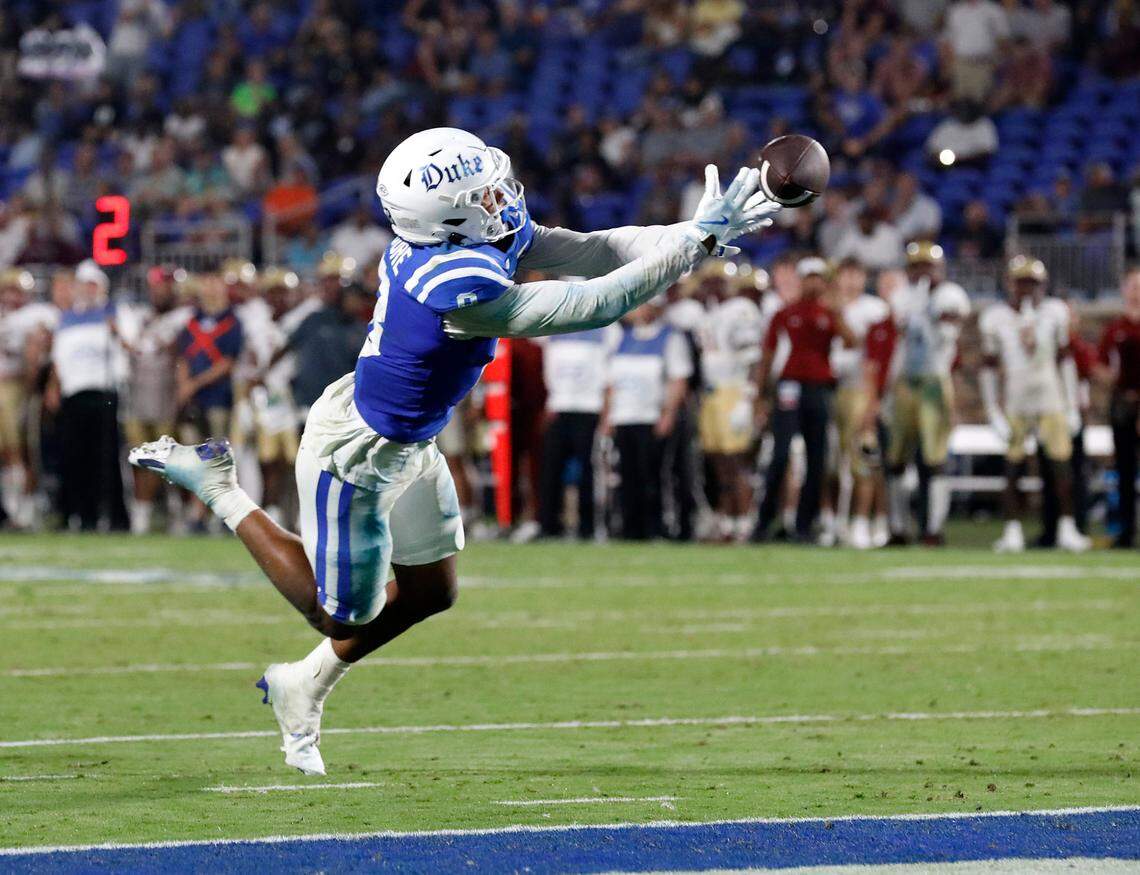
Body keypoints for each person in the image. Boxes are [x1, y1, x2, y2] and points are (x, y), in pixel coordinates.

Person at [129, 129, 779, 775]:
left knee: (432, 591)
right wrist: (695, 243)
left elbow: (595, 250)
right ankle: (216, 483)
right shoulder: (450, 280)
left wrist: (698, 229)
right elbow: (591, 301)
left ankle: (305, 682)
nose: (502, 194)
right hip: (354, 453)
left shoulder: (463, 232)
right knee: (333, 611)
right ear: (449, 216)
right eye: (482, 191)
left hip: (410, 437)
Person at [980, 256, 1089, 553]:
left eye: (1033, 283)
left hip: (1049, 395)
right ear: (1010, 284)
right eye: (1022, 282)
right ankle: (1012, 529)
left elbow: (1065, 359)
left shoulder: (1055, 312)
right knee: (1013, 467)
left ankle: (1067, 527)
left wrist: (1071, 405)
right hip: (1016, 400)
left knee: (1061, 467)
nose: (1027, 289)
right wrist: (992, 409)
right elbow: (988, 366)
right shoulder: (996, 317)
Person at [752, 258, 855, 543]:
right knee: (781, 454)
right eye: (808, 277)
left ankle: (804, 525)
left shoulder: (829, 313)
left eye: (818, 278)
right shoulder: (785, 313)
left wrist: (837, 311)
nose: (813, 283)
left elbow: (851, 341)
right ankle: (764, 521)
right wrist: (761, 394)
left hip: (819, 387)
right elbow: (768, 354)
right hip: (789, 386)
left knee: (817, 457)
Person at [885, 242, 970, 545]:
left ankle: (933, 528)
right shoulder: (901, 297)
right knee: (895, 460)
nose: (922, 272)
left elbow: (949, 330)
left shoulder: (950, 295)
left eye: (927, 266)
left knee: (934, 459)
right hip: (905, 380)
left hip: (934, 379)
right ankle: (897, 527)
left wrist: (929, 313)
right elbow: (896, 341)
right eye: (916, 266)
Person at [47, 260, 130, 531]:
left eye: (94, 285)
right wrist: (54, 387)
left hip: (104, 391)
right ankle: (84, 516)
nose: (89, 290)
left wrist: (117, 330)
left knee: (106, 458)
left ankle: (116, 518)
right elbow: (59, 358)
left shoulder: (116, 312)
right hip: (75, 393)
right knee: (76, 456)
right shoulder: (67, 318)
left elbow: (132, 346)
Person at [603, 298, 693, 540]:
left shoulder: (670, 338)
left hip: (650, 416)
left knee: (652, 475)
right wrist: (608, 417)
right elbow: (612, 383)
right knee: (627, 476)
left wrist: (668, 415)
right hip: (624, 416)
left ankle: (657, 527)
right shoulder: (622, 337)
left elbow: (678, 380)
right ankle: (630, 528)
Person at [694, 261, 764, 542]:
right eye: (709, 282)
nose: (713, 287)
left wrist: (749, 397)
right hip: (712, 394)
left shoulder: (741, 310)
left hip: (733, 391)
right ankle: (726, 519)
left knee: (736, 462)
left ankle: (744, 520)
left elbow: (754, 359)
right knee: (718, 462)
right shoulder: (708, 314)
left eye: (718, 281)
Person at [119, 265, 191, 534]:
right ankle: (143, 515)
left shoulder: (185, 318)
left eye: (164, 286)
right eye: (155, 287)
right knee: (139, 458)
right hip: (139, 396)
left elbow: (178, 354)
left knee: (170, 461)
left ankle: (178, 513)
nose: (158, 292)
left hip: (168, 399)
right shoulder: (141, 317)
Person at [830, 259, 890, 549]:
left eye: (856, 274)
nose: (851, 280)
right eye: (846, 274)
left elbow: (872, 355)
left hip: (860, 389)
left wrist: (873, 397)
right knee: (834, 460)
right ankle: (834, 521)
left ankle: (866, 520)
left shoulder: (872, 308)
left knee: (865, 457)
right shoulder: (826, 306)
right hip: (832, 389)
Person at [538, 326, 618, 541]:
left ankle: (588, 527)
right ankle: (549, 526)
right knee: (550, 469)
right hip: (559, 405)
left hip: (589, 407)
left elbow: (610, 375)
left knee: (588, 472)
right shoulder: (554, 326)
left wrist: (606, 413)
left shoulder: (606, 328)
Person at [0, 268, 57, 528]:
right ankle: (13, 507)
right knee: (8, 450)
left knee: (21, 448)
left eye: (17, 291)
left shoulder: (36, 315)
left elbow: (44, 346)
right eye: (7, 290)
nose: (11, 297)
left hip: (19, 385)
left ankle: (23, 507)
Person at [1096, 265, 1140, 549]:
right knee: (1124, 470)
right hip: (1124, 404)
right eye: (1133, 285)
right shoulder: (1116, 327)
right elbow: (1100, 362)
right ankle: (1125, 531)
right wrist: (1110, 380)